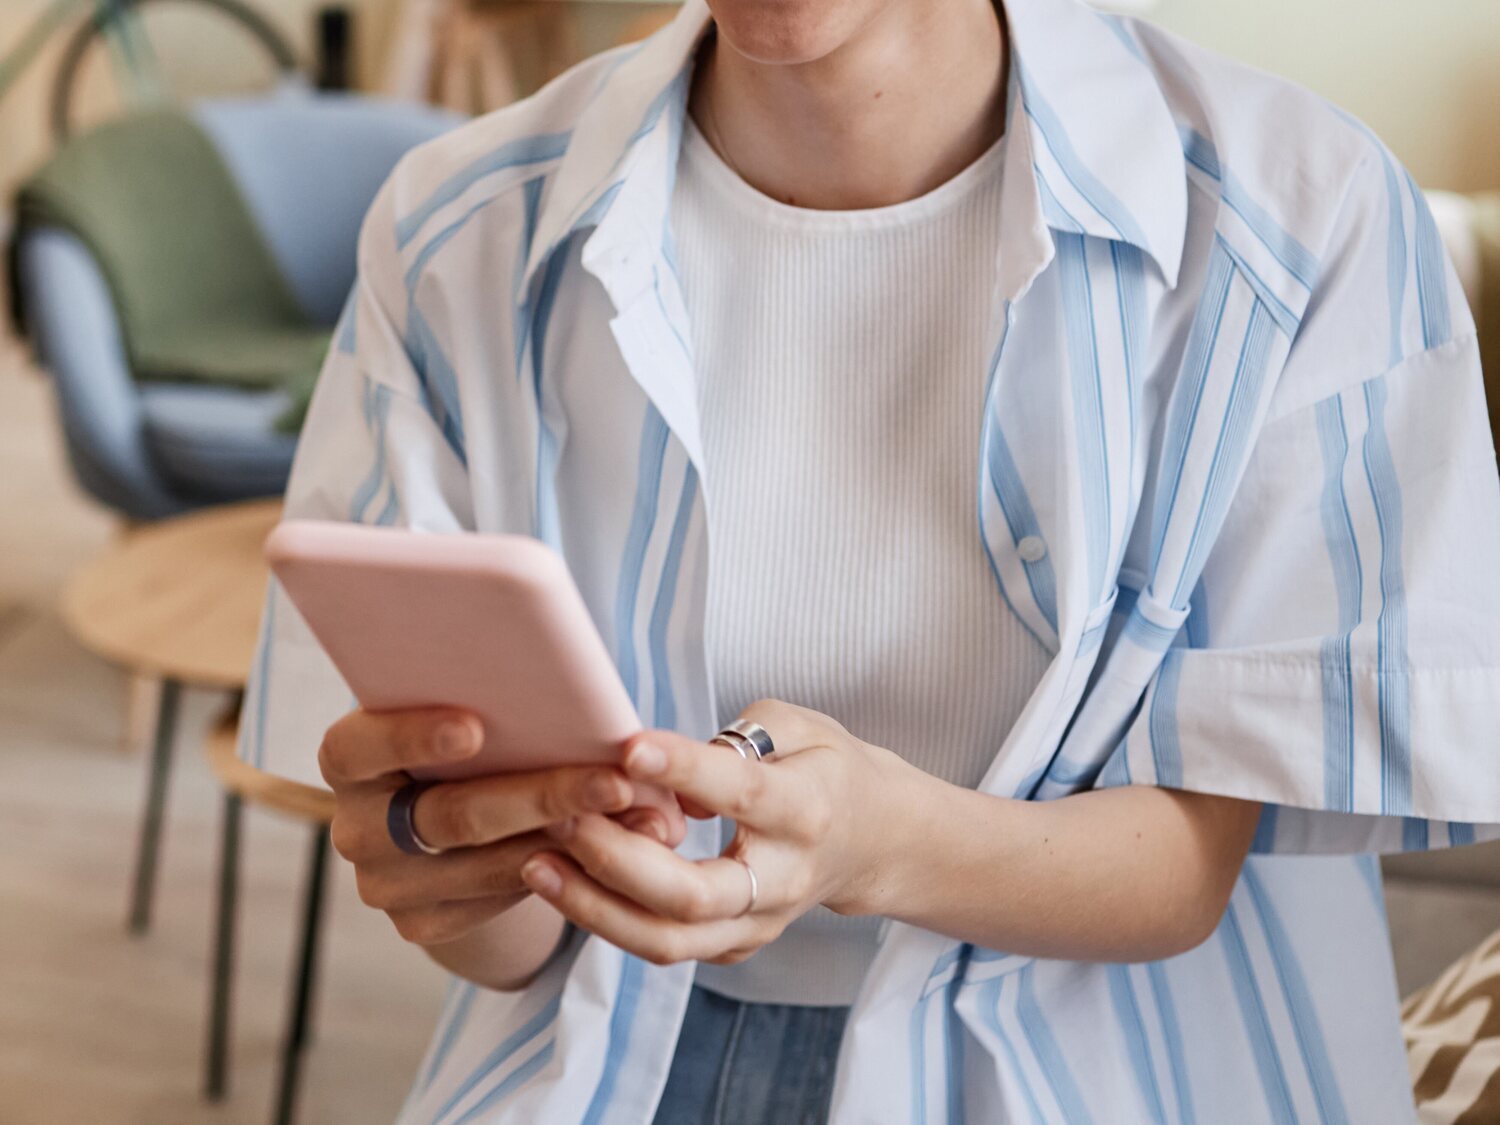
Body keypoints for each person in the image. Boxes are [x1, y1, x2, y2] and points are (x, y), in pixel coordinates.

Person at [241, 0, 1500, 1119]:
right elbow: (507, 945)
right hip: (611, 1062)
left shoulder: (1300, 222)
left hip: (1125, 1068)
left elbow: (1188, 871)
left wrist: (879, 846)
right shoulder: (452, 230)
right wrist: (456, 864)